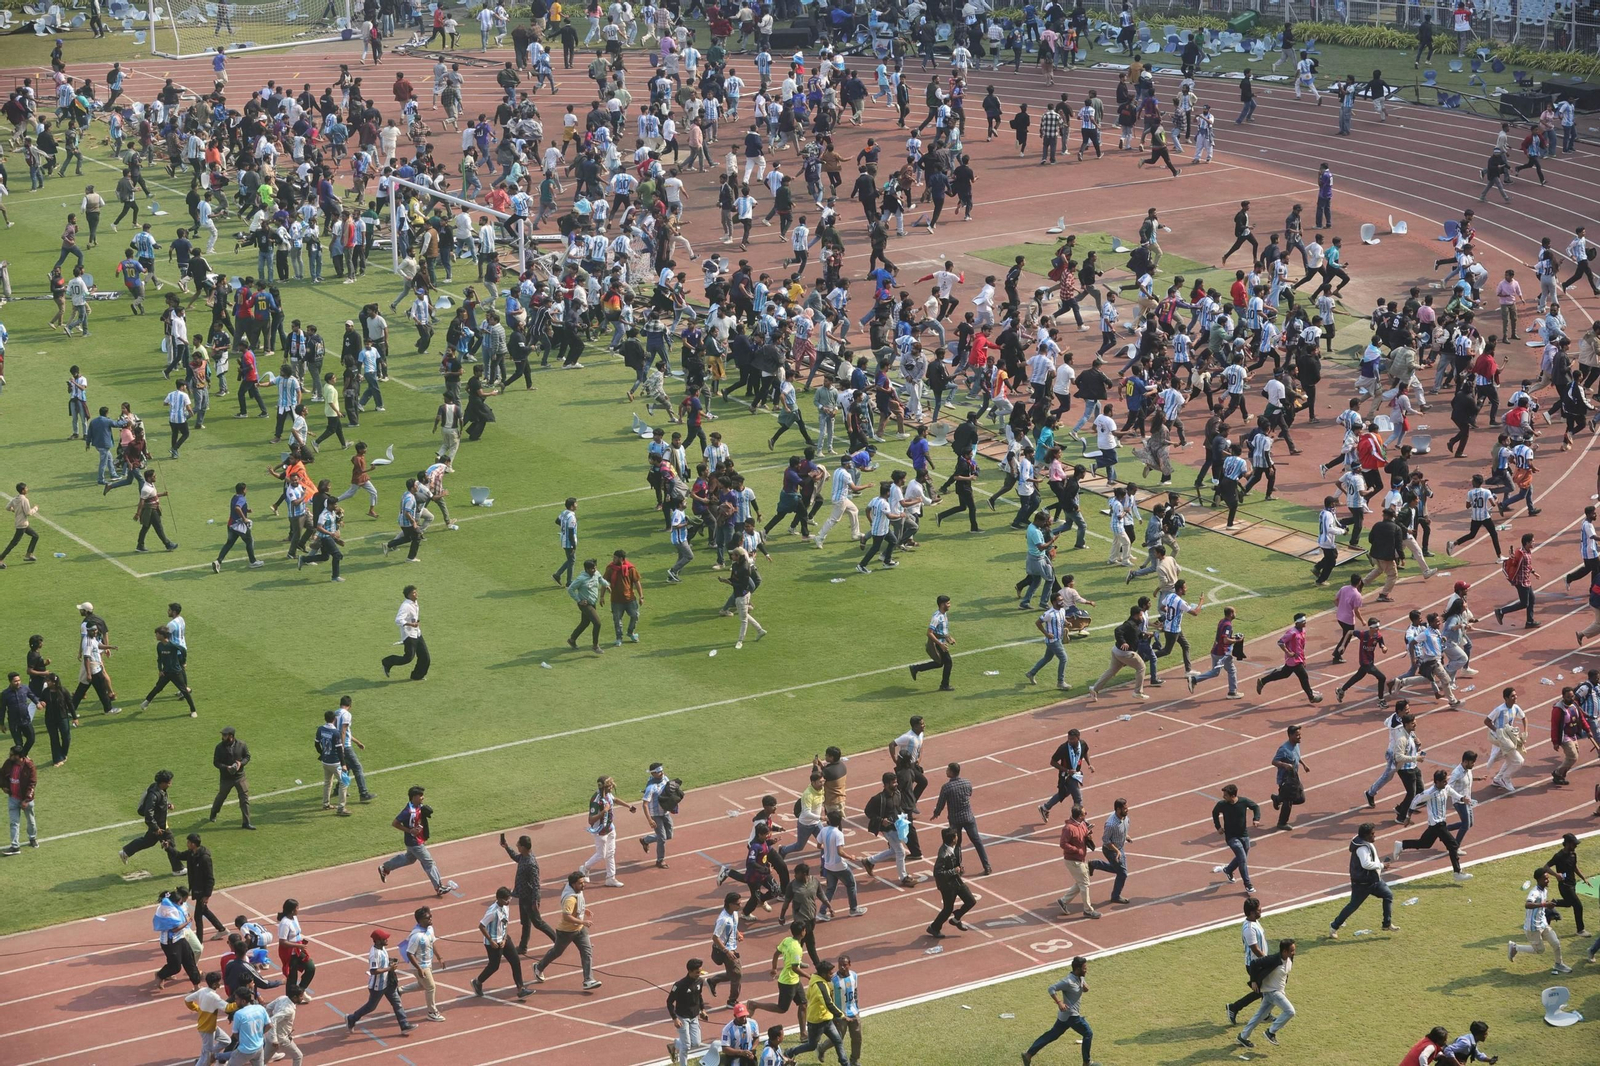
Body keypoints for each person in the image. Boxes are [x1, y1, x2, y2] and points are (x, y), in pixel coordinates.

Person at [1391, 769, 1473, 881]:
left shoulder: (1446, 788)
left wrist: (1463, 798)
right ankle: (1457, 873)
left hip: (1440, 823)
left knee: (1425, 843)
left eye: (1446, 780)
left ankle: (1401, 845)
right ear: (1437, 782)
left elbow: (1454, 793)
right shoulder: (1430, 793)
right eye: (1444, 781)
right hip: (1437, 824)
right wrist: (1408, 817)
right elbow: (1415, 800)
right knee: (1453, 845)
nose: (1446, 783)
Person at [377, 785, 457, 895]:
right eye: (421, 796)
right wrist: (409, 831)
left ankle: (385, 868)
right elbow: (395, 823)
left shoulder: (418, 806)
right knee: (429, 863)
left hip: (415, 841)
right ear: (414, 797)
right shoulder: (408, 811)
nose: (423, 798)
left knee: (409, 859)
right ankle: (439, 887)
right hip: (414, 842)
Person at [532, 869, 603, 989]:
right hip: (566, 931)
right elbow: (566, 916)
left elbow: (578, 904)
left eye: (583, 882)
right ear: (573, 884)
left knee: (587, 952)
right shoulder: (570, 899)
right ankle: (539, 967)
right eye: (580, 883)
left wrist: (584, 910)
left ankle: (588, 980)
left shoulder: (576, 890)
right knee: (557, 952)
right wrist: (583, 921)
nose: (583, 885)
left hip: (580, 929)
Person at [1328, 822, 1399, 937]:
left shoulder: (1364, 842)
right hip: (1363, 884)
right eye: (1372, 834)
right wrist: (1381, 865)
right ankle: (1334, 926)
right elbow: (1366, 864)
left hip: (1374, 880)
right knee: (1353, 906)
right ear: (1365, 836)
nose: (1374, 835)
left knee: (1388, 895)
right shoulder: (1362, 848)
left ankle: (1387, 923)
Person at [1020, 955, 1093, 1066]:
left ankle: (1028, 1054)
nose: (1086, 970)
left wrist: (1085, 986)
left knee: (1051, 1035)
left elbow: (1084, 987)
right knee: (1088, 1033)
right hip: (1071, 1015)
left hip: (1065, 1017)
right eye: (1084, 968)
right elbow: (1051, 988)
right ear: (1077, 969)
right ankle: (1086, 1062)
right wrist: (1059, 1002)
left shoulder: (1080, 977)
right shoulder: (1068, 981)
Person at [345, 929, 414, 1033]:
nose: (387, 939)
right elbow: (373, 971)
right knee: (371, 1007)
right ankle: (352, 1018)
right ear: (377, 941)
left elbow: (383, 961)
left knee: (397, 1002)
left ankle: (404, 1025)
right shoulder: (374, 954)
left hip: (388, 983)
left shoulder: (382, 948)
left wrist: (390, 961)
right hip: (377, 986)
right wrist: (389, 969)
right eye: (384, 938)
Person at [470, 886, 534, 1000]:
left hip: (504, 939)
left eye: (509, 898)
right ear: (499, 899)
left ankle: (521, 989)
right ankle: (477, 981)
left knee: (515, 961)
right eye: (506, 899)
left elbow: (505, 924)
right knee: (494, 966)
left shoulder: (506, 907)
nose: (508, 901)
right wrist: (491, 941)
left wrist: (504, 939)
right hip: (493, 943)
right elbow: (481, 926)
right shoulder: (492, 911)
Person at [930, 760, 992, 876]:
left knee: (956, 845)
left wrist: (936, 813)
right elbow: (969, 794)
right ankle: (987, 866)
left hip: (955, 820)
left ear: (952, 772)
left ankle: (959, 868)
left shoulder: (946, 787)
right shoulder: (967, 782)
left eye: (947, 769)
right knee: (977, 842)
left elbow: (941, 804)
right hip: (968, 817)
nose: (946, 771)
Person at [500, 832, 557, 955]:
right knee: (525, 923)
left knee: (538, 923)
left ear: (524, 847)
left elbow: (536, 884)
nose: (517, 846)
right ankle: (523, 946)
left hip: (530, 898)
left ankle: (558, 942)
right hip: (523, 896)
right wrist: (506, 847)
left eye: (518, 845)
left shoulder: (531, 863)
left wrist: (535, 901)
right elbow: (516, 857)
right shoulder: (523, 857)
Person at [1508, 866, 1572, 975]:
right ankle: (1515, 947)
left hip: (1543, 924)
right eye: (1545, 878)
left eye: (1548, 878)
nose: (1548, 880)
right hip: (1533, 927)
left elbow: (1542, 904)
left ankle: (1558, 964)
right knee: (1540, 950)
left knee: (1556, 943)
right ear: (1538, 880)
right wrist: (1544, 904)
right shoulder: (1535, 892)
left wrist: (1549, 906)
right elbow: (1527, 904)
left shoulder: (1544, 890)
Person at [120, 769, 183, 871]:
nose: (171, 783)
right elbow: (148, 813)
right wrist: (155, 828)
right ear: (163, 783)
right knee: (170, 842)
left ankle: (126, 852)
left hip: (159, 823)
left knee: (148, 841)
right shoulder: (153, 795)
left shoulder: (157, 789)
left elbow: (159, 804)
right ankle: (178, 869)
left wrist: (168, 805)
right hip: (159, 825)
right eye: (169, 782)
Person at [1237, 939, 1295, 1049]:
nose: (1294, 953)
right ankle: (1271, 1032)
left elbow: (1285, 974)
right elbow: (1254, 963)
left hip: (1273, 993)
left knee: (1259, 1016)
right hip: (1273, 992)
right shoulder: (1273, 959)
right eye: (1292, 951)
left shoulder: (1289, 959)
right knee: (1290, 1011)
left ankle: (1243, 1036)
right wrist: (1254, 980)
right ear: (1284, 951)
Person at [1256, 614, 1322, 703]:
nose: (1305, 623)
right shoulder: (1292, 633)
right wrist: (1288, 653)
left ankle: (1263, 681)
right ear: (1297, 623)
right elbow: (1280, 642)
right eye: (1303, 622)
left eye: (1305, 621)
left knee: (1284, 674)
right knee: (1304, 677)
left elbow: (1302, 646)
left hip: (1299, 659)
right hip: (1293, 660)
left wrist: (1303, 659)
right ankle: (1311, 697)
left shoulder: (1303, 631)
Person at [1224, 897, 1269, 1026]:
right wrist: (1266, 960)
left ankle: (1265, 1014)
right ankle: (1234, 1007)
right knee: (1261, 991)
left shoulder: (1254, 922)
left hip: (1259, 963)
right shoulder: (1249, 928)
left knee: (1265, 990)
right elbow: (1254, 948)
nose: (1261, 910)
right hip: (1255, 964)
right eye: (1258, 910)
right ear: (1251, 912)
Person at [1211, 783, 1260, 893]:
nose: (1223, 797)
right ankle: (1248, 885)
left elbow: (1256, 807)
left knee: (1241, 857)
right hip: (1231, 837)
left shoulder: (1244, 802)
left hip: (1244, 835)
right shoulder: (1222, 804)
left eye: (1226, 795)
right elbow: (1214, 813)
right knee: (1242, 859)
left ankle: (1228, 870)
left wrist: (1256, 818)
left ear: (1233, 795)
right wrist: (1218, 827)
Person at [401, 906, 446, 1023]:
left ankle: (399, 991)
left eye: (430, 916)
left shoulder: (430, 929)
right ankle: (432, 1012)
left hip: (428, 963)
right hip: (420, 966)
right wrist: (419, 968)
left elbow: (432, 942)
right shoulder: (416, 936)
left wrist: (439, 957)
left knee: (423, 985)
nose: (430, 919)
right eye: (427, 918)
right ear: (420, 920)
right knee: (431, 987)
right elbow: (409, 953)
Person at [1054, 804, 1099, 920]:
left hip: (1080, 859)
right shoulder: (1068, 828)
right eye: (1085, 813)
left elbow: (1083, 836)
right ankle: (1088, 910)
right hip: (1073, 860)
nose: (1086, 814)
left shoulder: (1082, 824)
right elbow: (1063, 844)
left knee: (1081, 882)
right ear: (1079, 816)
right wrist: (1076, 850)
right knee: (1084, 884)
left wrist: (1088, 835)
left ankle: (1063, 901)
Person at [665, 957, 711, 1065]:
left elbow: (699, 996)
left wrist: (703, 1010)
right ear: (689, 971)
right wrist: (675, 1018)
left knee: (696, 1043)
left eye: (700, 971)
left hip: (694, 1016)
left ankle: (676, 1044)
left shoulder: (700, 981)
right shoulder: (679, 985)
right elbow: (669, 1002)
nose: (699, 974)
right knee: (686, 1047)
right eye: (697, 972)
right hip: (682, 1017)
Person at [208, 726, 254, 829]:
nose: (222, 737)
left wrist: (240, 764)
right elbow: (216, 762)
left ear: (231, 736)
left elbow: (247, 756)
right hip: (226, 778)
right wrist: (226, 767)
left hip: (240, 777)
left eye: (225, 735)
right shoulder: (219, 747)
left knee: (244, 799)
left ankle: (246, 822)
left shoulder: (241, 745)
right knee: (221, 797)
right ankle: (213, 813)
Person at [381, 585, 430, 681]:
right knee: (408, 658)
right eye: (414, 593)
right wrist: (411, 624)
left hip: (417, 633)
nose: (416, 594)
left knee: (425, 657)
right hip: (409, 635)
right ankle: (387, 662)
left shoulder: (414, 603)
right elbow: (398, 620)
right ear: (409, 595)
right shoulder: (406, 606)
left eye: (416, 592)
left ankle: (417, 676)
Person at [909, 595, 955, 690]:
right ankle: (944, 685)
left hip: (942, 642)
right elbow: (929, 633)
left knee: (939, 663)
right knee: (948, 663)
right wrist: (940, 644)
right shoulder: (937, 617)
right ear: (942, 605)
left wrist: (949, 638)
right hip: (939, 644)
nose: (950, 605)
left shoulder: (944, 614)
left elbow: (942, 631)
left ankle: (916, 668)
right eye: (948, 603)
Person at [1269, 724, 1310, 830]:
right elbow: (1274, 761)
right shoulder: (1283, 749)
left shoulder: (1296, 745)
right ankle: (1282, 823)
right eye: (1297, 735)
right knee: (1288, 801)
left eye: (1300, 734)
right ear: (1290, 735)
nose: (1300, 737)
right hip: (1285, 780)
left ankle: (1278, 799)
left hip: (1295, 778)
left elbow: (1297, 757)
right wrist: (1284, 765)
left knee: (1301, 798)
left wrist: (1304, 764)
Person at [2, 745, 36, 854]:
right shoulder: (8, 763)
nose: (9, 756)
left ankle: (32, 838)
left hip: (26, 799)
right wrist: (3, 786)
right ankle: (15, 846)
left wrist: (26, 800)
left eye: (12, 755)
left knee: (30, 820)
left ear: (19, 756)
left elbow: (32, 783)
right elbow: (1, 775)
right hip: (13, 798)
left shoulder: (29, 766)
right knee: (14, 823)